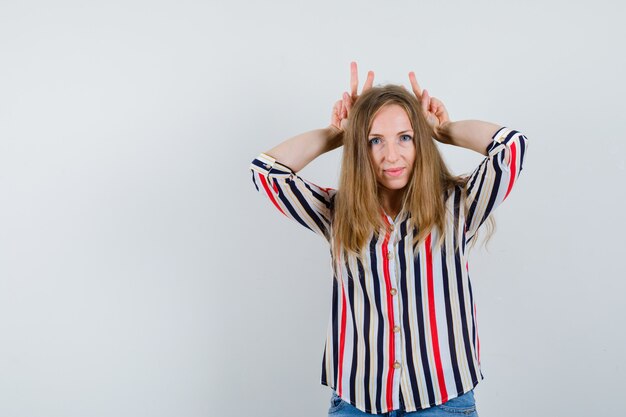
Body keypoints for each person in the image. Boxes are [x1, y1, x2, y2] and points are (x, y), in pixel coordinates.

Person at [249, 62, 528, 416]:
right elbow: (265, 172)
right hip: (357, 402)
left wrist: (444, 129)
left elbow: (512, 148)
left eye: (406, 137)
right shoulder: (337, 213)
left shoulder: (459, 205)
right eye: (374, 140)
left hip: (442, 401)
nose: (391, 155)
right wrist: (336, 134)